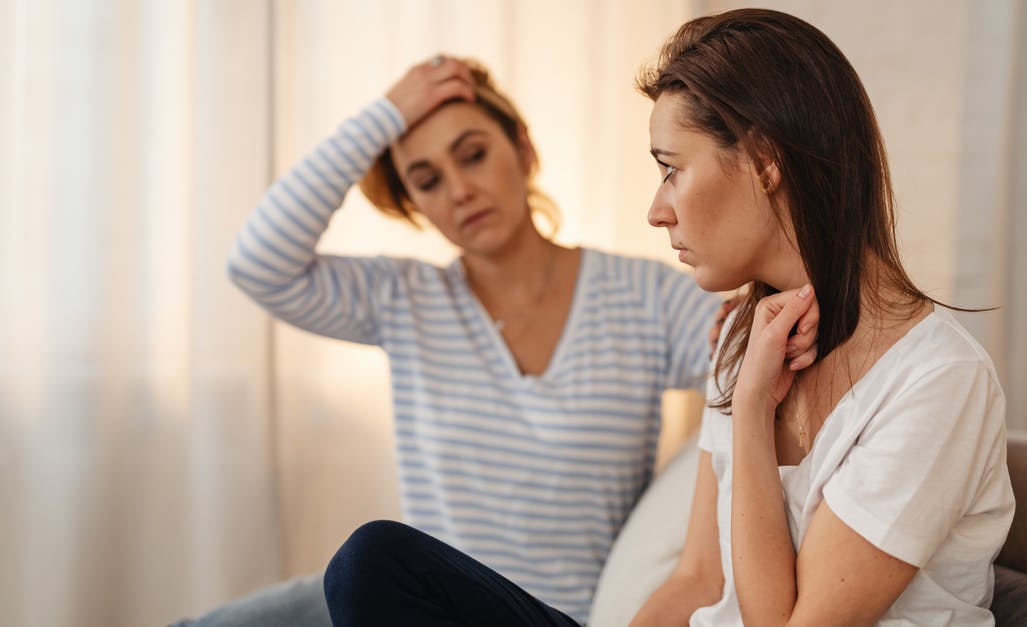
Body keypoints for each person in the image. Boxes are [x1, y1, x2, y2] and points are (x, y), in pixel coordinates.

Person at [323, 8, 1015, 627]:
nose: (657, 210)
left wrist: (749, 412)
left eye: (671, 169)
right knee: (374, 561)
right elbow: (697, 580)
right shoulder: (746, 336)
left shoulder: (937, 380)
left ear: (764, 160)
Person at [179, 55, 739, 626]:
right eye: (427, 180)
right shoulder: (403, 299)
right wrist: (384, 116)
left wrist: (751, 330)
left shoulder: (642, 298)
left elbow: (749, 345)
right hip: (420, 604)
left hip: (545, 615)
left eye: (473, 155)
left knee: (366, 555)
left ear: (522, 150)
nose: (461, 190)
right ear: (413, 204)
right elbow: (258, 264)